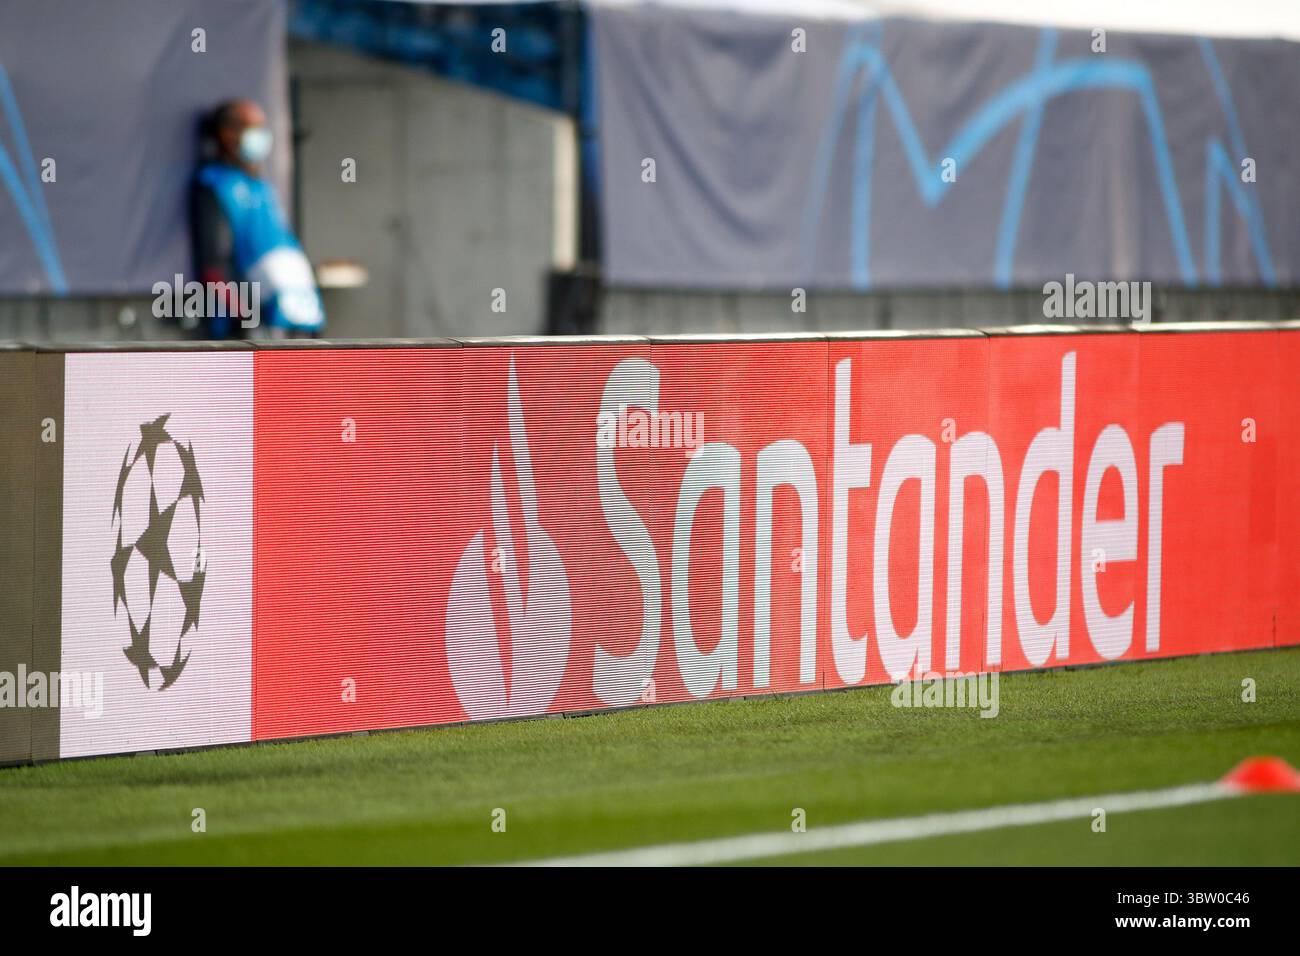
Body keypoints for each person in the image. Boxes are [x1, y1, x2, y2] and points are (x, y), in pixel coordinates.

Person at [189, 99, 324, 339]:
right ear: (227, 134)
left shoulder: (261, 186)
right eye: (253, 128)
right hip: (252, 330)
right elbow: (214, 268)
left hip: (296, 319)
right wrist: (246, 318)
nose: (261, 136)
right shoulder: (214, 185)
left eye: (263, 128)